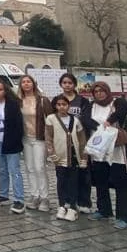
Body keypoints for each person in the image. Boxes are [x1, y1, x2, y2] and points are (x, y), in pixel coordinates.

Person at [81, 81, 127, 229]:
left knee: (121, 183)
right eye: (96, 91)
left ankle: (124, 216)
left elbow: (125, 108)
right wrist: (100, 128)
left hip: (117, 150)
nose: (99, 94)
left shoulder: (117, 102)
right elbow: (86, 119)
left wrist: (109, 121)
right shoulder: (91, 106)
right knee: (101, 181)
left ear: (107, 91)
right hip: (99, 149)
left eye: (102, 91)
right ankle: (104, 209)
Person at [45, 93, 87, 221]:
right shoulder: (51, 119)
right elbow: (49, 137)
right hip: (59, 156)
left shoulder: (75, 120)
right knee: (61, 181)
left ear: (68, 106)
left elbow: (82, 139)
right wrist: (51, 153)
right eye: (59, 104)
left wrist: (84, 156)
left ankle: (73, 207)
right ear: (55, 106)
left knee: (73, 182)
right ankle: (62, 205)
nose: (62, 107)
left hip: (74, 157)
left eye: (64, 104)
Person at [0, 80, 25, 213]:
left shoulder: (12, 104)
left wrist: (16, 141)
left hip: (10, 141)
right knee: (2, 169)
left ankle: (19, 199)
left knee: (14, 171)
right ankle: (3, 195)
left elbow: (18, 125)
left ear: (5, 90)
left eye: (0, 89)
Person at [58, 72, 92, 213]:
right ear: (61, 84)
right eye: (64, 83)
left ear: (74, 85)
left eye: (70, 83)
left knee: (83, 172)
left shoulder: (82, 101)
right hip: (62, 143)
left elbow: (87, 120)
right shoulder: (57, 100)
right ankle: (67, 200)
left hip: (79, 141)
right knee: (64, 173)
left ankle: (83, 201)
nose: (67, 85)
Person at [18, 74, 53, 212]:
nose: (26, 84)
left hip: (39, 138)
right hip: (25, 138)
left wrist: (50, 140)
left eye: (28, 82)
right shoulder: (19, 100)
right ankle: (35, 194)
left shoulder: (42, 100)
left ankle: (44, 197)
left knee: (40, 167)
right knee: (30, 168)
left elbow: (50, 120)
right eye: (23, 82)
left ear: (33, 84)